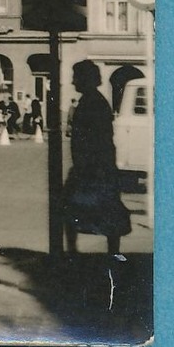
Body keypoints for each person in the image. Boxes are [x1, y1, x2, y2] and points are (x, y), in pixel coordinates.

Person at [62, 59, 131, 258]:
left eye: (76, 77)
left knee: (76, 207)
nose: (73, 82)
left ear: (86, 79)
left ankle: (76, 251)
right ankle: (112, 252)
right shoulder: (95, 101)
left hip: (92, 167)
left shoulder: (92, 103)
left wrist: (85, 166)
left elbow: (94, 140)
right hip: (97, 167)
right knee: (107, 210)